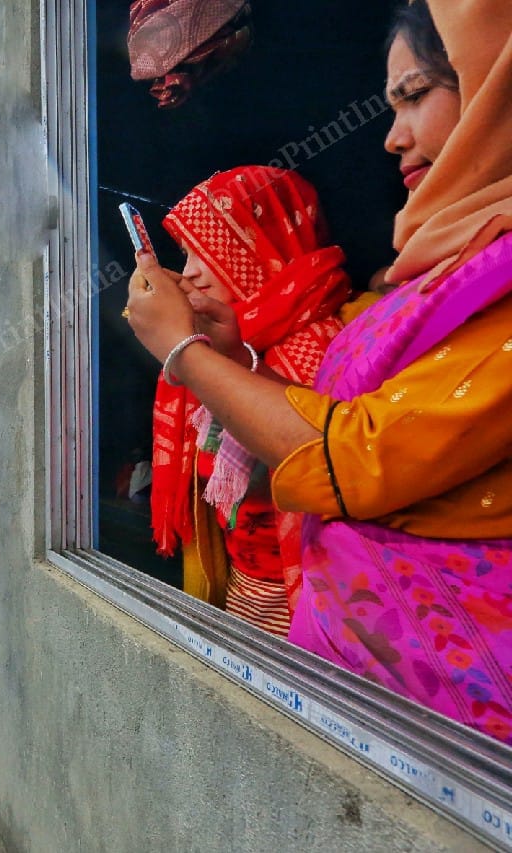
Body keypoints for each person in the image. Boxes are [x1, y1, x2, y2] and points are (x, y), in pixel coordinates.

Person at [124, 0, 512, 745]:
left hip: (459, 741)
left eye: (415, 95)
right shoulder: (426, 280)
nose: (392, 136)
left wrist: (188, 356)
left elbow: (351, 456)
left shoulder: (337, 332)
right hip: (372, 696)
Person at [144, 165, 353, 637]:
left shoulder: (325, 347)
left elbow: (277, 478)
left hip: (305, 611)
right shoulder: (226, 343)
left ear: (260, 250)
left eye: (210, 249)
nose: (192, 270)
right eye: (186, 252)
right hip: (247, 593)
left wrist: (193, 354)